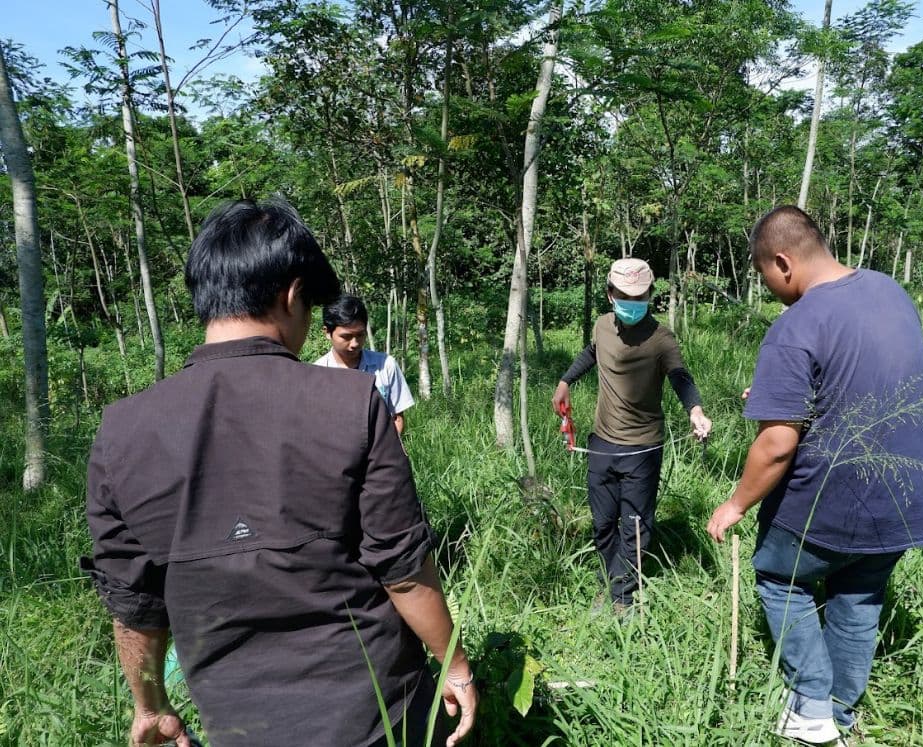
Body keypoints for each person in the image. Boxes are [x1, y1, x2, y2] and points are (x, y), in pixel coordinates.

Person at [82, 198, 477, 747]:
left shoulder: (121, 432)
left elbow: (135, 606)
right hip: (370, 713)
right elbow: (402, 567)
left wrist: (151, 706)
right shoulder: (352, 403)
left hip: (236, 722)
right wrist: (453, 662)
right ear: (293, 295)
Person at [706, 206, 923, 745]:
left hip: (833, 500)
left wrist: (735, 504)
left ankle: (811, 705)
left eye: (764, 274)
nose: (769, 287)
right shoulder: (891, 291)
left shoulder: (796, 324)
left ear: (782, 261)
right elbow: (862, 378)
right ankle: (841, 716)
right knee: (859, 597)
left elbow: (776, 446)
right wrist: (777, 397)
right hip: (905, 497)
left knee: (780, 577)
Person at [552, 258, 712, 616]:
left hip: (643, 447)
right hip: (602, 444)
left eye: (640, 296)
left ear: (651, 295)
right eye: (625, 295)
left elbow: (680, 377)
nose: (632, 303)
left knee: (635, 526)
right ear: (610, 294)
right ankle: (610, 581)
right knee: (603, 521)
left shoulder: (661, 338)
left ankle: (624, 599)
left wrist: (696, 411)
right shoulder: (602, 326)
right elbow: (592, 352)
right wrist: (566, 381)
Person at [314, 294, 414, 435]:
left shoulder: (385, 365)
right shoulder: (317, 373)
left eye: (360, 335)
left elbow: (397, 418)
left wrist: (385, 453)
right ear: (327, 332)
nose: (354, 343)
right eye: (346, 337)